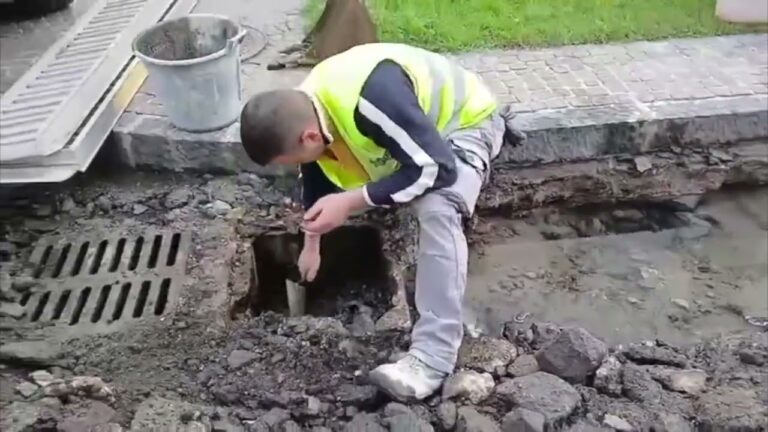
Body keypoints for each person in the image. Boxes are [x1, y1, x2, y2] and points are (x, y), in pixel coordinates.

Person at [239, 42, 522, 401]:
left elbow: (437, 168)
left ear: (309, 136)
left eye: (287, 160)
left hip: (462, 125)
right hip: (409, 138)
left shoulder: (371, 100)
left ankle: (433, 360)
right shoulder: (306, 110)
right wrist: (312, 244)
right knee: (381, 193)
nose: (291, 167)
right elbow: (315, 175)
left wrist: (352, 200)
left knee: (437, 208)